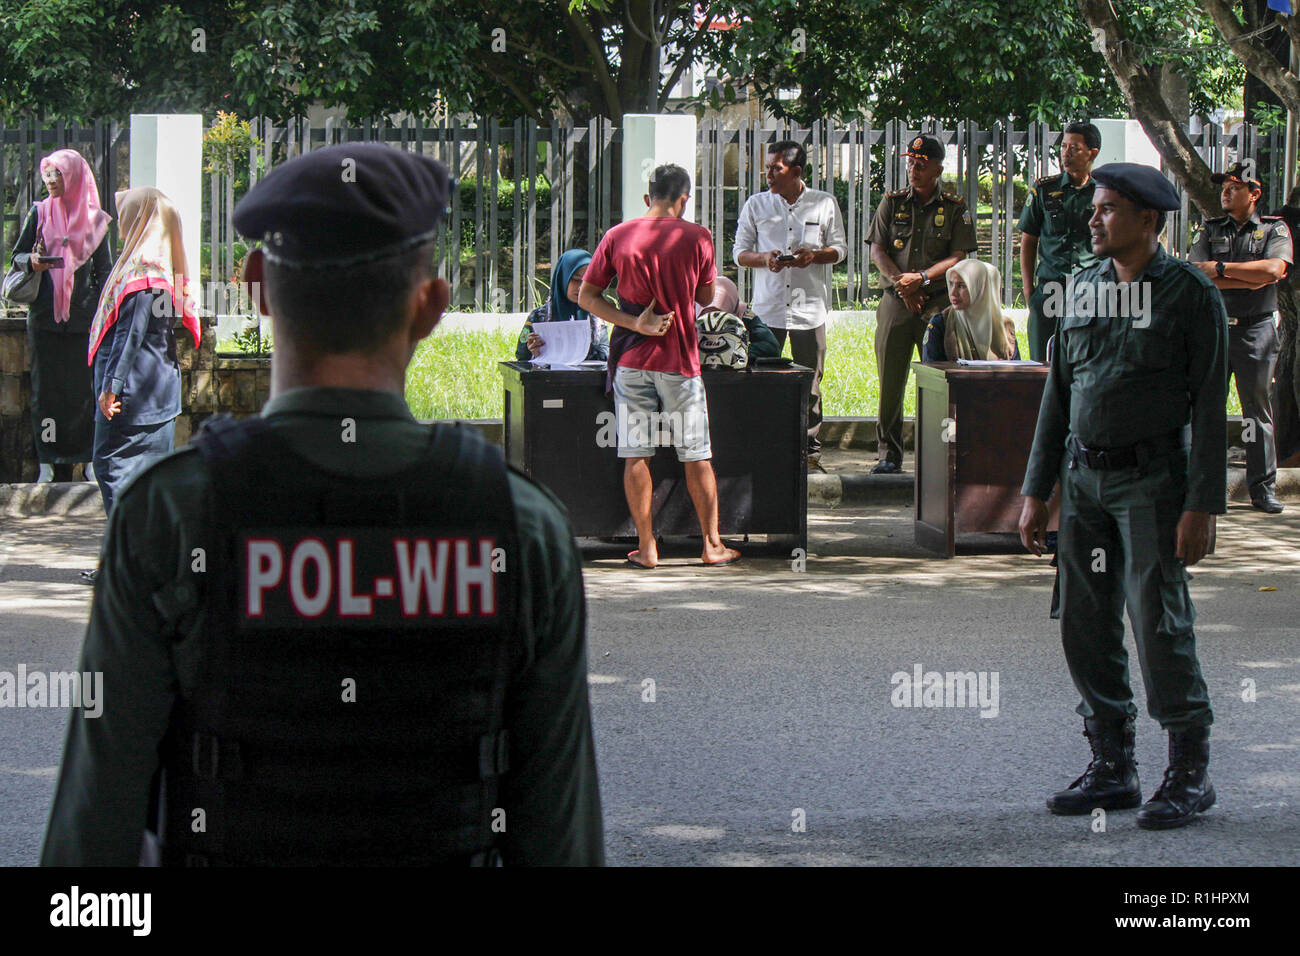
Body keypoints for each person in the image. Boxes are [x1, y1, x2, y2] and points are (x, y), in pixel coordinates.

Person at [41, 143, 605, 866]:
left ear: (256, 286)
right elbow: (561, 839)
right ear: (432, 306)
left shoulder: (168, 515)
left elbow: (92, 838)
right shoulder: (523, 529)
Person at [1019, 163, 1227, 830]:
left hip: (1154, 484)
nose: (1093, 217)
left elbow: (1211, 410)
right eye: (1097, 207)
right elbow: (1058, 395)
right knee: (1085, 620)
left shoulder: (1191, 295)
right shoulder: (1080, 288)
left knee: (1159, 622)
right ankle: (1113, 766)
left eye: (1108, 209)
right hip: (1082, 485)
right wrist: (1037, 489)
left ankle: (1189, 774)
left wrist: (1203, 505)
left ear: (1147, 220)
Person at [577, 163, 739, 569]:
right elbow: (705, 295)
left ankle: (647, 547)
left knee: (636, 455)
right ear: (684, 200)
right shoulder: (698, 237)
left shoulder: (617, 236)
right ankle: (711, 545)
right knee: (696, 456)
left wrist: (635, 322)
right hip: (681, 363)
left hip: (631, 361)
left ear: (648, 198)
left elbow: (587, 296)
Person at [733, 140, 847, 472]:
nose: (768, 174)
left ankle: (809, 453)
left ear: (796, 172)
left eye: (775, 169)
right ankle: (761, 451)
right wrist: (764, 258)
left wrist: (815, 256)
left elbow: (840, 249)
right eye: (767, 168)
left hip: (809, 311)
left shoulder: (824, 203)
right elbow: (739, 254)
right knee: (761, 379)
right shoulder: (757, 205)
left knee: (810, 383)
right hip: (768, 311)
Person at [87, 187, 201, 518]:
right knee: (148, 478)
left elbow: (130, 334)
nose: (121, 222)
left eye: (127, 214)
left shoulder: (141, 272)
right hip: (159, 392)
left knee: (111, 465)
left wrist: (111, 385)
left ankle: (131, 558)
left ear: (141, 219)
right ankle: (148, 560)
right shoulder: (159, 267)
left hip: (132, 395)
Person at [867, 134, 978, 474]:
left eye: (921, 164)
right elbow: (878, 249)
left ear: (938, 168)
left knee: (942, 380)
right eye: (910, 163)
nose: (913, 169)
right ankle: (889, 453)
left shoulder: (955, 207)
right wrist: (904, 284)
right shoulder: (893, 202)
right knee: (890, 379)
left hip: (938, 305)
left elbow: (959, 256)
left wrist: (923, 279)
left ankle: (942, 453)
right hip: (896, 302)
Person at [1188, 161, 1292, 514]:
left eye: (1234, 186)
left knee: (1255, 412)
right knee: (1208, 408)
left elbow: (1273, 270)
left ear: (1255, 193)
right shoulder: (1210, 229)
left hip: (1256, 329)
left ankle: (1261, 488)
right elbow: (1196, 274)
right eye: (1224, 187)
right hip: (1215, 328)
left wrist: (1220, 270)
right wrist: (1248, 277)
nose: (1226, 193)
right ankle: (1209, 487)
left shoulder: (1274, 231)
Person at [9, 148, 112, 481]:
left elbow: (105, 273)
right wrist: (32, 262)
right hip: (44, 322)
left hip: (82, 325)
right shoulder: (38, 213)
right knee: (46, 397)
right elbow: (17, 257)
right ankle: (48, 460)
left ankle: (88, 460)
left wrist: (91, 307)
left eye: (57, 175)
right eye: (47, 175)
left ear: (74, 178)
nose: (51, 181)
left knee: (84, 394)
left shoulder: (96, 222)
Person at [1019, 122, 1102, 361]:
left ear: (1092, 153)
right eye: (1064, 146)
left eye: (1074, 148)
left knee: (1085, 362)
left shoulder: (1102, 193)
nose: (1066, 153)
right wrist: (1029, 292)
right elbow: (1028, 241)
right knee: (1043, 363)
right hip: (1049, 289)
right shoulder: (1044, 189)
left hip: (1089, 289)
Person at [514, 248, 609, 362]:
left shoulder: (596, 317)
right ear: (562, 279)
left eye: (586, 282)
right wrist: (533, 351)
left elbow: (606, 355)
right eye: (575, 280)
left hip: (585, 379)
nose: (580, 287)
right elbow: (521, 356)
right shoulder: (538, 317)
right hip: (548, 379)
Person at [921, 259, 1021, 362]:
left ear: (980, 289)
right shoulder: (942, 324)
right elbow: (932, 371)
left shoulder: (1004, 327)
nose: (953, 293)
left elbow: (1016, 371)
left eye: (961, 286)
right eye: (951, 284)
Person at [698, 275, 781, 364]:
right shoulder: (688, 314)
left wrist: (737, 353)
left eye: (719, 312)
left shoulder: (742, 313)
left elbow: (771, 346)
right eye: (707, 313)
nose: (713, 320)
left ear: (731, 305)